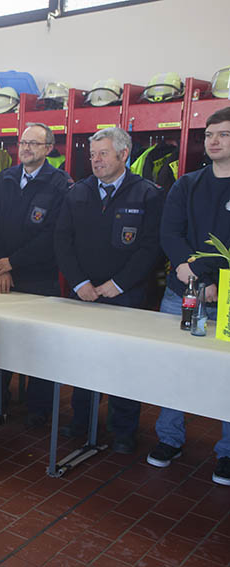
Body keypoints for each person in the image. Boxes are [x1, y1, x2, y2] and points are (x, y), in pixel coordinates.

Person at [54, 127, 162, 454]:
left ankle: (124, 429)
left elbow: (151, 248)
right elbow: (62, 240)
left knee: (124, 364)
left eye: (103, 153)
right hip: (83, 293)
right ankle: (82, 420)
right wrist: (79, 283)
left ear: (123, 154)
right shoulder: (77, 192)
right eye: (92, 155)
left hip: (126, 295)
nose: (96, 160)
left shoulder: (147, 193)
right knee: (83, 359)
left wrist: (118, 284)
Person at [148, 106, 230, 485]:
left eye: (224, 135)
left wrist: (215, 280)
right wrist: (187, 270)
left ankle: (227, 453)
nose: (214, 141)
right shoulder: (187, 184)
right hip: (183, 290)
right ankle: (169, 438)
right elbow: (170, 233)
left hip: (226, 294)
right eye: (210, 134)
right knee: (174, 366)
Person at [0, 122, 72, 427]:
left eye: (34, 144)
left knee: (39, 346)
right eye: (23, 143)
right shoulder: (5, 178)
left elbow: (52, 236)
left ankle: (38, 408)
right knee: (2, 341)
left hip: (38, 277)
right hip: (3, 275)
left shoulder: (60, 183)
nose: (26, 149)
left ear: (49, 148)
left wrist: (12, 263)